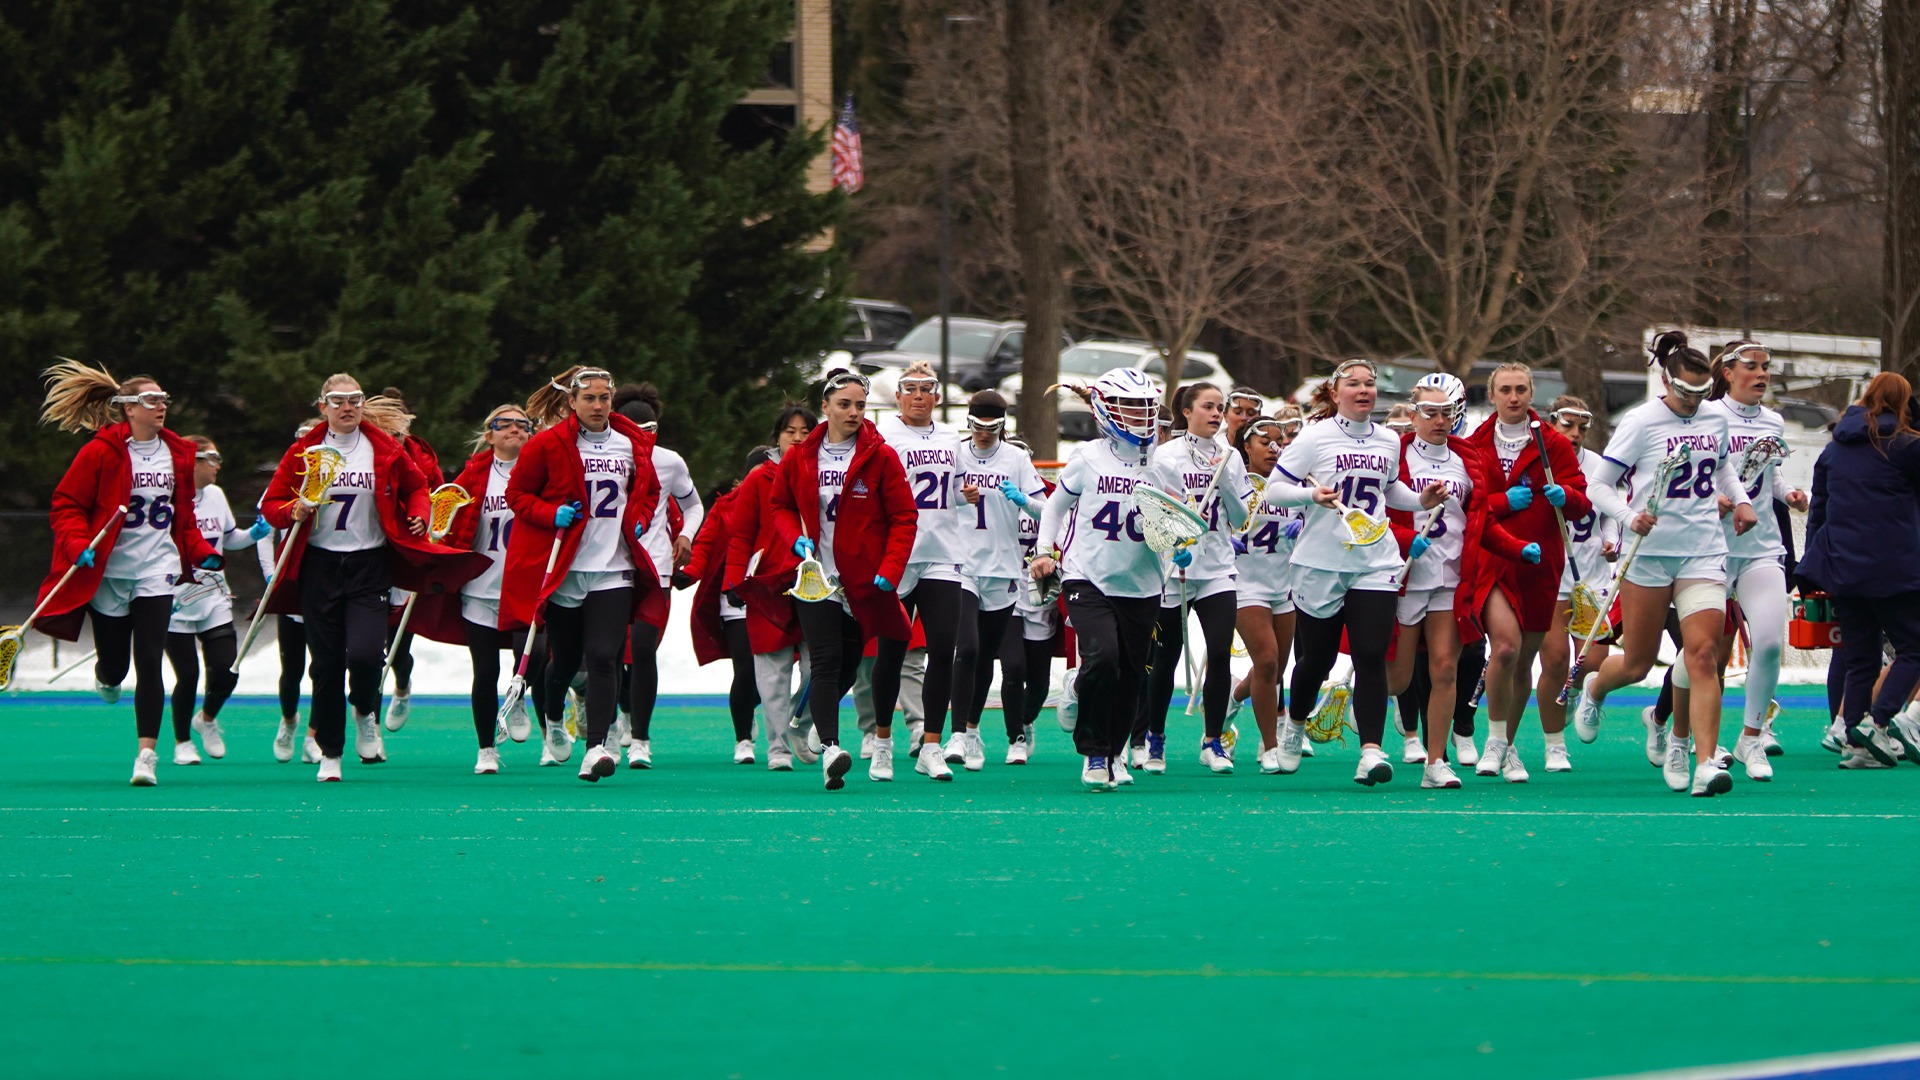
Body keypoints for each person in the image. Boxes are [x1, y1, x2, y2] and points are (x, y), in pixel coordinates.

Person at [259, 376, 485, 781]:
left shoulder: (384, 449)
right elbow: (273, 503)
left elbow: (417, 487)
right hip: (319, 566)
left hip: (369, 565)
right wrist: (293, 510)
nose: (347, 407)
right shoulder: (305, 451)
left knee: (365, 655)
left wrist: (418, 514)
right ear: (322, 406)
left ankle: (364, 710)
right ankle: (330, 753)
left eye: (355, 400)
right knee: (325, 664)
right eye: (338, 401)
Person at [1572, 331, 1757, 796]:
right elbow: (1599, 485)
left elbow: (1722, 467)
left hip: (1702, 552)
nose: (1695, 402)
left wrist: (1740, 501)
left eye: (1702, 393)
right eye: (1686, 393)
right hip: (1648, 557)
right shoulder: (1640, 422)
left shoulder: (1714, 416)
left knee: (1703, 655)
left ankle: (1698, 756)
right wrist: (1630, 517)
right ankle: (1595, 689)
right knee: (1636, 663)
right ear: (1667, 380)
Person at [35, 360, 224, 785]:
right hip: (109, 573)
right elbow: (66, 505)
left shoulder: (178, 453)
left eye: (164, 400)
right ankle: (106, 675)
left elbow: (184, 518)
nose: (161, 407)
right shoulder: (100, 452)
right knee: (117, 666)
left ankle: (146, 756)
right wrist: (78, 545)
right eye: (151, 400)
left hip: (156, 570)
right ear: (129, 408)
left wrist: (201, 552)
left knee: (151, 660)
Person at [1261, 359, 1446, 785]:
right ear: (1336, 391)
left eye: (1370, 383)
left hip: (1374, 560)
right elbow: (1275, 488)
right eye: (1354, 384)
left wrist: (1422, 500)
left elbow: (1390, 490)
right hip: (1321, 561)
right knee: (1318, 660)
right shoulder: (1313, 437)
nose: (1364, 390)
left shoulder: (1387, 440)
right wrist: (1311, 495)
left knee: (1369, 655)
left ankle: (1371, 752)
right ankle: (1294, 723)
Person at [504, 366, 664, 783]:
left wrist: (642, 518)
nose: (598, 406)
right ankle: (553, 716)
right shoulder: (548, 444)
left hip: (614, 569)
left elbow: (650, 491)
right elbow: (517, 495)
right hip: (566, 569)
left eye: (604, 398)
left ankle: (596, 748)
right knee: (566, 659)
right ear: (572, 402)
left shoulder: (632, 444)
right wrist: (549, 513)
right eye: (589, 398)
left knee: (603, 657)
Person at [765, 369, 917, 790]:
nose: (853, 412)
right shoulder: (800, 456)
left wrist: (890, 569)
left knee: (855, 664)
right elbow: (779, 505)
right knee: (826, 661)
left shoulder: (881, 456)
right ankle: (832, 749)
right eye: (844, 404)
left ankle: (806, 720)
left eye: (860, 405)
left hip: (867, 581)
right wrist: (795, 538)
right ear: (826, 408)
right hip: (818, 578)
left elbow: (905, 517)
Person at [1384, 374, 1531, 788]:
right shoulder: (1395, 453)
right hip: (1404, 577)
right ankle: (1373, 710)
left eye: (1446, 413)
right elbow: (1373, 513)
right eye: (1429, 413)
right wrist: (1405, 539)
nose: (1439, 421)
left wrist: (1517, 548)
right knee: (1397, 678)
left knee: (1445, 668)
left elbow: (1480, 521)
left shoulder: (1466, 458)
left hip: (1449, 579)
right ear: (1413, 414)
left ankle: (1435, 762)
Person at [1029, 368, 1169, 789]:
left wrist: (1182, 540)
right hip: (1087, 576)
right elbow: (1055, 506)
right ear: (1105, 409)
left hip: (1142, 583)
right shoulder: (1088, 457)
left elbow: (1177, 519)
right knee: (1103, 659)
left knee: (1131, 675)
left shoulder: (1164, 463)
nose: (1139, 416)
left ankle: (1114, 752)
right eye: (1129, 406)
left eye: (1145, 407)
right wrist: (1043, 550)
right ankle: (1093, 752)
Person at [1464, 363, 1590, 779]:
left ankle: (1511, 746)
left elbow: (1581, 503)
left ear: (1531, 392)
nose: (1513, 397)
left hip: (1540, 561)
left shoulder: (1552, 442)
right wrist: (1504, 503)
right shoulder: (1475, 442)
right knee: (1504, 648)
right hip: (1496, 559)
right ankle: (1495, 740)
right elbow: (1471, 504)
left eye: (1521, 389)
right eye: (1505, 390)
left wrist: (1566, 494)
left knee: (1524, 663)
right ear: (1492, 394)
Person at [1796, 371, 1920, 767]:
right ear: (1903, 403)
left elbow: (1818, 508)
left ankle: (1854, 740)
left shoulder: (1835, 448)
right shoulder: (1905, 446)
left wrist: (1814, 560)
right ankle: (1879, 720)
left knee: (1859, 655)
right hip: (1893, 565)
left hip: (1843, 566)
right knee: (1914, 646)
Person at [418, 404, 550, 774]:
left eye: (521, 425)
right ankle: (487, 749)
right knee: (485, 669)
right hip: (481, 589)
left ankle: (519, 694)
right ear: (489, 434)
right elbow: (448, 519)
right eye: (502, 424)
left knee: (536, 655)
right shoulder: (473, 476)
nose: (513, 429)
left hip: (526, 588)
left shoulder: (544, 475)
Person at [1134, 382, 1251, 773]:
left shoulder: (1230, 457)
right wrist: (1172, 545)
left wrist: (1230, 487)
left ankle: (1213, 741)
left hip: (1218, 568)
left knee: (1218, 652)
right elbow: (1151, 513)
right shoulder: (1164, 456)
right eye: (1208, 406)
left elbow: (1239, 521)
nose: (1217, 414)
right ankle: (1154, 739)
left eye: (1221, 407)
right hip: (1174, 569)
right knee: (1165, 657)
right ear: (1187, 412)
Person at [1703, 341, 1807, 780]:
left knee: (1766, 644)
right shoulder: (1707, 418)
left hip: (1761, 546)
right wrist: (1719, 501)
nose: (1762, 373)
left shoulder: (1774, 420)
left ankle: (1750, 738)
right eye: (1752, 366)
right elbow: (1699, 477)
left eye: (1766, 366)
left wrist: (1790, 495)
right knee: (1703, 652)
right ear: (1728, 373)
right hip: (1710, 549)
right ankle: (1679, 736)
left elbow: (1771, 474)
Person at [873, 359, 973, 782]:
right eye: (910, 388)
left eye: (926, 388)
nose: (918, 396)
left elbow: (953, 491)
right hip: (898, 554)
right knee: (892, 652)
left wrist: (965, 495)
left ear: (937, 395)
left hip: (941, 552)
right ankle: (881, 742)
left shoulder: (952, 437)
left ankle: (930, 745)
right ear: (897, 396)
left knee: (944, 648)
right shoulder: (880, 436)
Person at [950, 390, 1048, 767]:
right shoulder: (956, 453)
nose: (984, 434)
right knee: (969, 649)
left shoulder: (1017, 458)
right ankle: (958, 734)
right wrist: (958, 496)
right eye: (977, 426)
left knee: (990, 658)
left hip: (1004, 568)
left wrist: (1023, 500)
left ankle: (978, 730)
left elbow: (1046, 511)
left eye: (992, 427)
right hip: (962, 564)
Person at [611, 383, 704, 767]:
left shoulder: (670, 461)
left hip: (656, 569)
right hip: (611, 567)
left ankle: (641, 739)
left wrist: (685, 535)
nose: (643, 439)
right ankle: (614, 725)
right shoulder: (606, 457)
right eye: (635, 431)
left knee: (644, 650)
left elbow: (694, 505)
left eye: (650, 431)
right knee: (611, 653)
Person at [164, 435, 271, 765]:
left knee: (227, 670)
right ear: (192, 461)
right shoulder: (166, 497)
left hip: (213, 598)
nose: (218, 465)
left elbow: (229, 539)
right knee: (189, 675)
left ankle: (207, 719)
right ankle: (182, 742)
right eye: (212, 458)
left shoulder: (215, 495)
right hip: (174, 601)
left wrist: (254, 534)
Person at [726, 405, 821, 770]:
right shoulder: (757, 480)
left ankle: (801, 726)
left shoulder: (824, 473)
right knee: (772, 673)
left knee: (819, 669)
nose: (797, 437)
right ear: (776, 437)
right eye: (789, 431)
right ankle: (778, 748)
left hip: (816, 584)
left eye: (804, 431)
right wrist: (735, 579)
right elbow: (741, 534)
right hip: (768, 587)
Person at [1531, 397, 1620, 768]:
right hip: (1552, 579)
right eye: (1568, 426)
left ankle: (1578, 694)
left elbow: (1608, 514)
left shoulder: (1598, 466)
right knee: (1554, 661)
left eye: (1582, 428)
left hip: (1591, 579)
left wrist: (1611, 539)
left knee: (1593, 661)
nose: (1576, 434)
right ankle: (1554, 744)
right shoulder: (1538, 464)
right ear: (1552, 424)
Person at [679, 446, 768, 765]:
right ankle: (743, 738)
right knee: (745, 670)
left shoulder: (788, 504)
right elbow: (705, 544)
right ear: (746, 476)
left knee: (773, 674)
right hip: (734, 599)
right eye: (757, 472)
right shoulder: (726, 507)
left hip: (776, 599)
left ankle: (773, 718)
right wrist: (688, 573)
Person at [1228, 414, 1304, 772]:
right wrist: (1227, 537)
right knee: (1268, 660)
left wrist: (1304, 523)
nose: (1274, 449)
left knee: (1274, 671)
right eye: (1264, 442)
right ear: (1246, 446)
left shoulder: (1291, 484)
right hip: (1246, 584)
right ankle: (1270, 745)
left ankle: (1233, 697)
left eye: (1279, 442)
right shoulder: (1231, 481)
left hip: (1283, 584)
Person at [367, 387, 442, 732]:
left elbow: (435, 496)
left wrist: (422, 518)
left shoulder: (421, 459)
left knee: (398, 645)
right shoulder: (361, 452)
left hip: (406, 552)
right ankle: (369, 717)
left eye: (398, 432)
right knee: (369, 644)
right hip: (369, 552)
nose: (392, 439)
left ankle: (401, 685)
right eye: (386, 432)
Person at [260, 419, 321, 765]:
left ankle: (314, 735)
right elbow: (265, 532)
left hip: (326, 584)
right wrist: (272, 575)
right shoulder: (285, 482)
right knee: (292, 668)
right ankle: (288, 720)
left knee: (323, 666)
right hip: (294, 584)